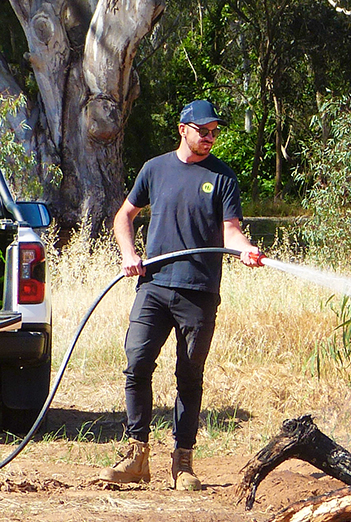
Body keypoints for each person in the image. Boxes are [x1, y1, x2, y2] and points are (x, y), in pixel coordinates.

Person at [100, 100, 262, 489]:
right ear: (183, 129)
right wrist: (130, 254)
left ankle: (183, 463)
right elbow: (125, 216)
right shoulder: (154, 169)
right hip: (154, 286)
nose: (209, 138)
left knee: (189, 374)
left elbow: (230, 229)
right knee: (137, 363)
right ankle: (136, 456)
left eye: (214, 132)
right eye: (203, 131)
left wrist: (244, 249)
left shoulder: (222, 177)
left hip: (199, 291)